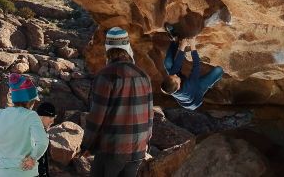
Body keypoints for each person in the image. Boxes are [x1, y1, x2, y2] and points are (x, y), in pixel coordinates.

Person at [81, 26, 154, 177]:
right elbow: (150, 115)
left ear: (108, 49)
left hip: (112, 149)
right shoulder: (143, 75)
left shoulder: (106, 76)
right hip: (138, 150)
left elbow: (97, 117)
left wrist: (86, 146)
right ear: (127, 47)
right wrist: (145, 143)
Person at [0, 73, 49, 176]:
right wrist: (32, 158)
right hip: (25, 173)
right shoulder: (30, 116)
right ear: (30, 101)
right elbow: (42, 142)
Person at [160, 24, 224, 110]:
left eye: (171, 76)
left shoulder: (171, 82)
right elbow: (196, 66)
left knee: (168, 63)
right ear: (178, 86)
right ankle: (209, 84)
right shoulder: (189, 85)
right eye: (175, 78)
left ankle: (175, 39)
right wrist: (193, 46)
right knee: (219, 70)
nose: (175, 75)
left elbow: (177, 66)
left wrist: (182, 46)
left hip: (184, 94)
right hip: (196, 95)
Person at [35, 102, 56, 177]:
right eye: (50, 117)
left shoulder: (40, 130)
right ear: (41, 116)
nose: (52, 121)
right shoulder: (37, 132)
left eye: (54, 118)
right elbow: (40, 162)